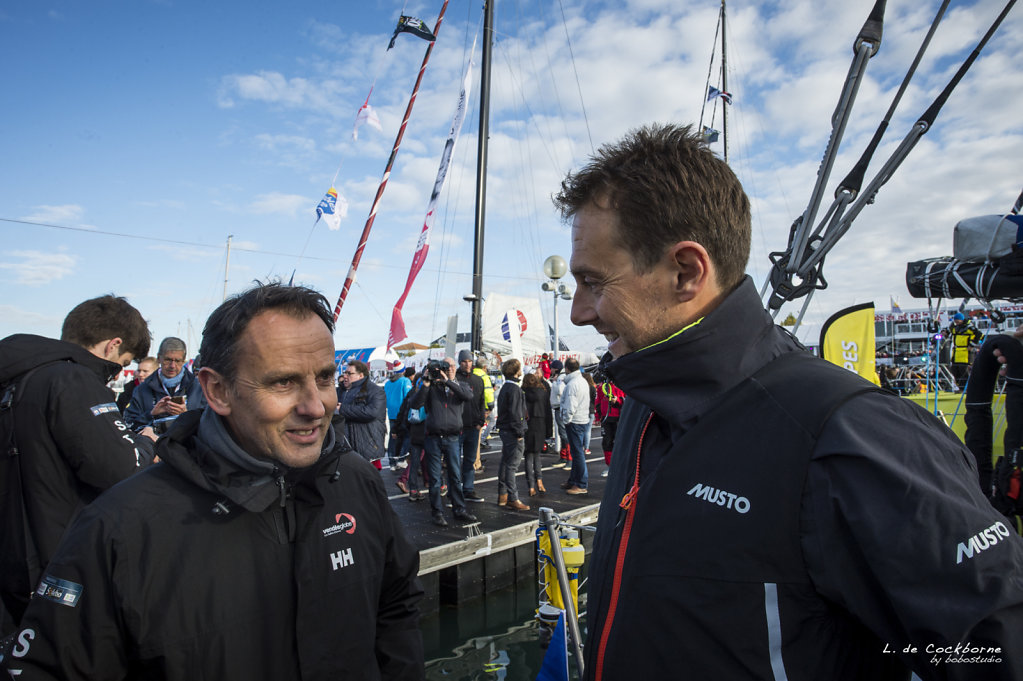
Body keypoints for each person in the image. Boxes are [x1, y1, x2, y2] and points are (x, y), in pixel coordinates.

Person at [555, 123, 1023, 680]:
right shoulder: (643, 404)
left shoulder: (849, 435)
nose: (579, 311)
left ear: (686, 271)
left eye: (593, 281)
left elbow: (995, 653)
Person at [3, 282, 424, 680]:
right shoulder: (120, 529)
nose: (316, 406)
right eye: (283, 382)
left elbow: (397, 605)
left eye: (326, 378)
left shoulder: (354, 481)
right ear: (217, 391)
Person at [0, 295, 154, 633]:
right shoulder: (72, 380)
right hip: (54, 566)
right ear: (113, 346)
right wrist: (145, 442)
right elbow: (121, 470)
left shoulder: (17, 376)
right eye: (121, 363)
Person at [410, 357, 478, 527]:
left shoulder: (460, 385)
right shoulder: (431, 386)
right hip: (433, 437)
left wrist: (448, 382)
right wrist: (425, 384)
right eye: (446, 367)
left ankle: (459, 509)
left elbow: (468, 396)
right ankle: (437, 513)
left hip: (453, 437)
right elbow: (415, 404)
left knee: (455, 475)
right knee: (434, 478)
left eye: (452, 366)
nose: (450, 369)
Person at [123, 337, 205, 433]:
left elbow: (209, 425)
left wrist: (186, 415)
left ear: (183, 361)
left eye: (178, 361)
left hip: (187, 446)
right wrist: (151, 414)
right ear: (158, 358)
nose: (172, 366)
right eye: (168, 360)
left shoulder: (199, 388)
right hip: (152, 446)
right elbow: (128, 424)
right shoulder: (142, 389)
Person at [337, 359, 388, 469]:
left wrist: (342, 409)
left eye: (349, 373)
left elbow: (371, 412)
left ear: (360, 375)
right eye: (345, 373)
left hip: (367, 445)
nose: (345, 376)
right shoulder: (341, 391)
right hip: (345, 446)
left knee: (368, 482)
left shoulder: (375, 391)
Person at [495, 358, 529, 510]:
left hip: (505, 429)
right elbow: (516, 413)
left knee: (505, 462)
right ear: (516, 371)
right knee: (512, 465)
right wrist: (519, 432)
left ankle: (502, 495)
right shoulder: (514, 389)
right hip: (512, 431)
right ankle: (512, 497)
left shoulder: (505, 387)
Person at [455, 350, 488, 503]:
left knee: (470, 460)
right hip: (457, 428)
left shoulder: (478, 380)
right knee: (454, 461)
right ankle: (454, 491)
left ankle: (468, 489)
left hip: (473, 427)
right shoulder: (453, 379)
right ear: (459, 362)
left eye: (469, 361)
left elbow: (482, 402)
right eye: (464, 361)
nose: (467, 364)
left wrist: (480, 422)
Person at [558, 357, 589, 495]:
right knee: (577, 452)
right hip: (581, 419)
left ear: (567, 369)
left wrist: (566, 420)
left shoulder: (572, 384)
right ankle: (574, 480)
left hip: (574, 421)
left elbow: (570, 405)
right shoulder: (582, 381)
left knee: (577, 454)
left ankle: (581, 483)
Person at [522, 372, 550, 496]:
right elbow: (548, 411)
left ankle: (531, 485)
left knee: (528, 456)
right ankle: (540, 481)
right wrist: (549, 431)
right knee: (537, 455)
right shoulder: (543, 393)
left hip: (528, 425)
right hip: (540, 424)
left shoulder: (522, 393)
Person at [383, 361, 413, 470]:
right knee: (406, 436)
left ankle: (392, 462)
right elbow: (408, 397)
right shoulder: (405, 381)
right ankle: (401, 459)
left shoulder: (387, 383)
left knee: (393, 438)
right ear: (403, 371)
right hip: (402, 414)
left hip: (391, 414)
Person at [594, 376, 624, 472]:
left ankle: (619, 467)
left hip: (619, 419)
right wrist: (598, 417)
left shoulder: (622, 385)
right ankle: (610, 466)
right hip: (606, 419)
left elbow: (627, 401)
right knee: (607, 443)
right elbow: (598, 402)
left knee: (619, 443)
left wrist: (618, 400)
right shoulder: (602, 387)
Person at [947, 311, 984, 390]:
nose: (956, 322)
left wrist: (972, 345)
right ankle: (960, 387)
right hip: (956, 352)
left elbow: (979, 334)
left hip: (965, 352)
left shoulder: (969, 327)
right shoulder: (955, 327)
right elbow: (949, 331)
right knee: (954, 370)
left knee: (964, 370)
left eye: (958, 321)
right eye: (955, 321)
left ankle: (967, 388)